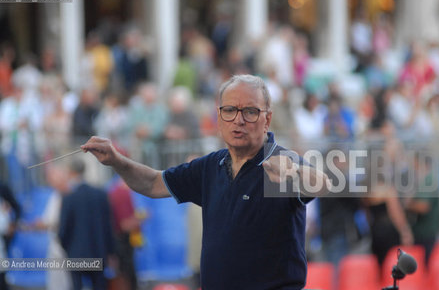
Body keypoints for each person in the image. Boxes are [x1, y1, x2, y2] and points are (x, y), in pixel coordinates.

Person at [82, 74, 330, 290]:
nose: (239, 120)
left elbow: (321, 184)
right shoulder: (210, 166)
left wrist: (295, 172)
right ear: (219, 118)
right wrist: (117, 160)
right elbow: (152, 183)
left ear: (267, 119)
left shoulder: (281, 162)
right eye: (230, 110)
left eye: (251, 111)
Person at [58, 158, 115, 290]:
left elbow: (63, 230)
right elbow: (108, 227)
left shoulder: (68, 198)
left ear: (71, 172)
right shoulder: (100, 194)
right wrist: (111, 252)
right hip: (98, 253)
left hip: (76, 255)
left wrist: (68, 250)